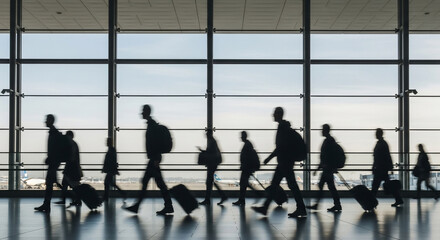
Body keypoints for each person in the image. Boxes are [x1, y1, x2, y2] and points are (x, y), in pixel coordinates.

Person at [252, 107, 307, 218]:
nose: (273, 115)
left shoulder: (283, 129)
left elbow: (280, 147)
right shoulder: (284, 128)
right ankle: (266, 207)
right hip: (285, 162)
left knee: (287, 185)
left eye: (275, 113)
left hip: (285, 162)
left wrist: (269, 158)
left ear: (279, 114)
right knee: (281, 185)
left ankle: (300, 208)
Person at [124, 105, 174, 215]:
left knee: (153, 183)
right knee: (154, 183)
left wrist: (156, 158)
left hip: (154, 159)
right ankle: (167, 205)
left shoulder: (151, 126)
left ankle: (167, 206)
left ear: (147, 112)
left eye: (143, 111)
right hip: (154, 158)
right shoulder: (151, 124)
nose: (141, 113)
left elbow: (154, 144)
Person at [35, 114, 69, 213]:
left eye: (46, 120)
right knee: (51, 183)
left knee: (50, 183)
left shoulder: (53, 133)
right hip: (54, 162)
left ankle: (47, 204)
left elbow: (54, 149)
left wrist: (50, 158)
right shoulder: (54, 132)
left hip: (53, 162)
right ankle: (47, 204)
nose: (45, 122)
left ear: (51, 121)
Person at [307, 124, 341, 212]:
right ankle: (336, 204)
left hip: (327, 168)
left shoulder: (328, 141)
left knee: (326, 186)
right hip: (328, 168)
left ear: (326, 130)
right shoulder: (329, 140)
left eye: (322, 129)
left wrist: (318, 168)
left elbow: (325, 157)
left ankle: (320, 205)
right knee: (329, 186)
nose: (321, 131)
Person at [371, 128, 403, 207]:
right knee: (387, 185)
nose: (375, 135)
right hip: (382, 168)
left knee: (375, 186)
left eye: (376, 133)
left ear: (379, 134)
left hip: (380, 168)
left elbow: (381, 156)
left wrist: (374, 166)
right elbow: (387, 155)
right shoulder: (383, 143)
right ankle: (398, 199)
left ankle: (371, 202)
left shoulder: (380, 144)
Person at [199, 129, 228, 206]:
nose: (205, 134)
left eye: (207, 133)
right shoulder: (213, 141)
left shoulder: (211, 141)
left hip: (212, 164)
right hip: (213, 164)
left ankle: (210, 199)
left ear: (209, 134)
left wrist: (203, 152)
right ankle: (219, 196)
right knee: (210, 181)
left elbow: (210, 153)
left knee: (209, 182)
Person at [55, 130, 83, 207]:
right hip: (72, 168)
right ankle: (75, 200)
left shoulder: (71, 144)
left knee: (68, 184)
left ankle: (73, 199)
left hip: (71, 168)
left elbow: (70, 157)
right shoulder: (74, 144)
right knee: (69, 184)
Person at [232, 131, 261, 206]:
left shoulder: (247, 145)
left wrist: (245, 166)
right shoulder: (248, 144)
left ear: (244, 136)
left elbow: (247, 157)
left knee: (243, 183)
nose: (240, 137)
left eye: (241, 136)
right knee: (244, 183)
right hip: (247, 167)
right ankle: (243, 199)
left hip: (246, 168)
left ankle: (243, 199)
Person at [102, 137, 126, 202]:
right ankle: (123, 194)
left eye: (107, 141)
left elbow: (111, 160)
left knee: (107, 183)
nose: (106, 142)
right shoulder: (112, 149)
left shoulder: (111, 150)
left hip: (110, 170)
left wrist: (106, 168)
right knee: (110, 183)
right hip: (111, 169)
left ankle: (106, 197)